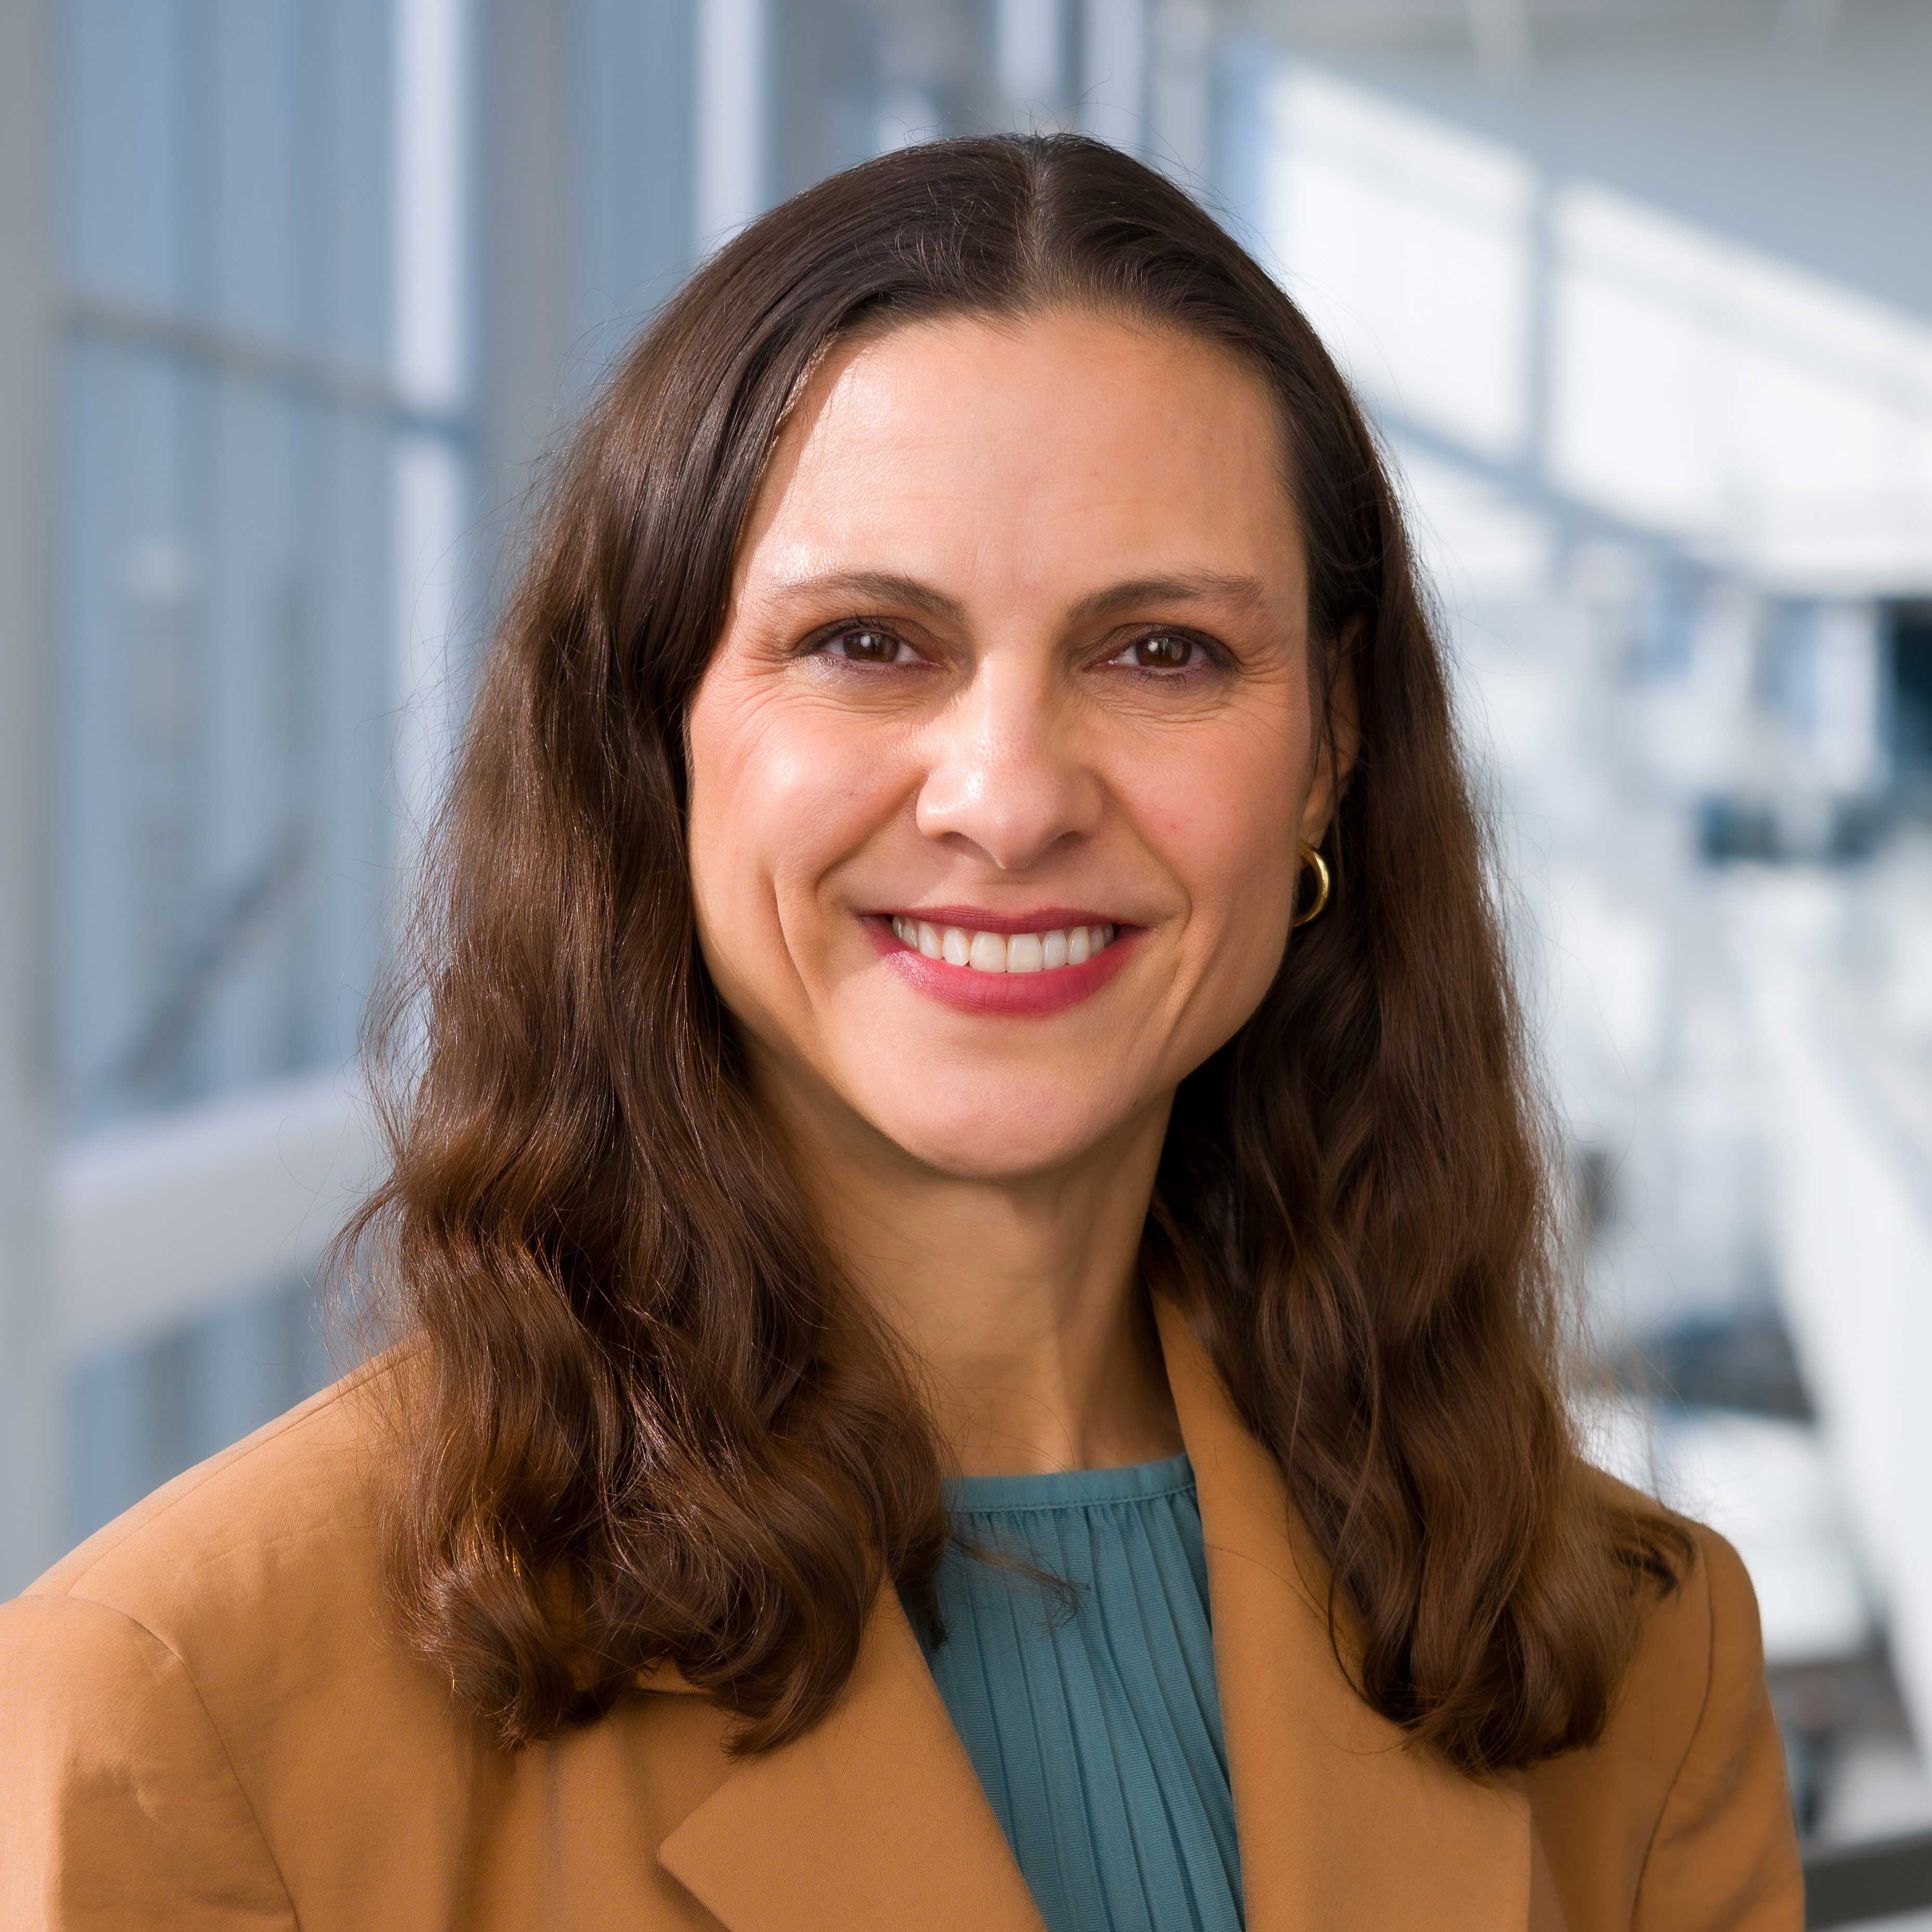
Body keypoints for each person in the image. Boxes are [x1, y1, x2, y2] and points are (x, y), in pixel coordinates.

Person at [1, 134, 1801, 1932]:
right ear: (656, 742)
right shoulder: (185, 1707)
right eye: (867, 641)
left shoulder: (1636, 1663)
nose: (1008, 799)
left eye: (1160, 649)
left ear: (1331, 750)